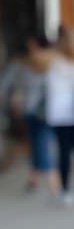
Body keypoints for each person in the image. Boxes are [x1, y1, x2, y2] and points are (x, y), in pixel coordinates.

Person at [0, 33, 61, 196]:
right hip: (51, 110)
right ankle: (40, 182)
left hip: (29, 109)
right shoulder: (55, 61)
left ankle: (52, 185)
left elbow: (6, 82)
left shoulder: (21, 62)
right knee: (39, 144)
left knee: (38, 145)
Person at [46, 25, 74, 205]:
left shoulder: (50, 59)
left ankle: (64, 190)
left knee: (63, 152)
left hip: (57, 113)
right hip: (65, 112)